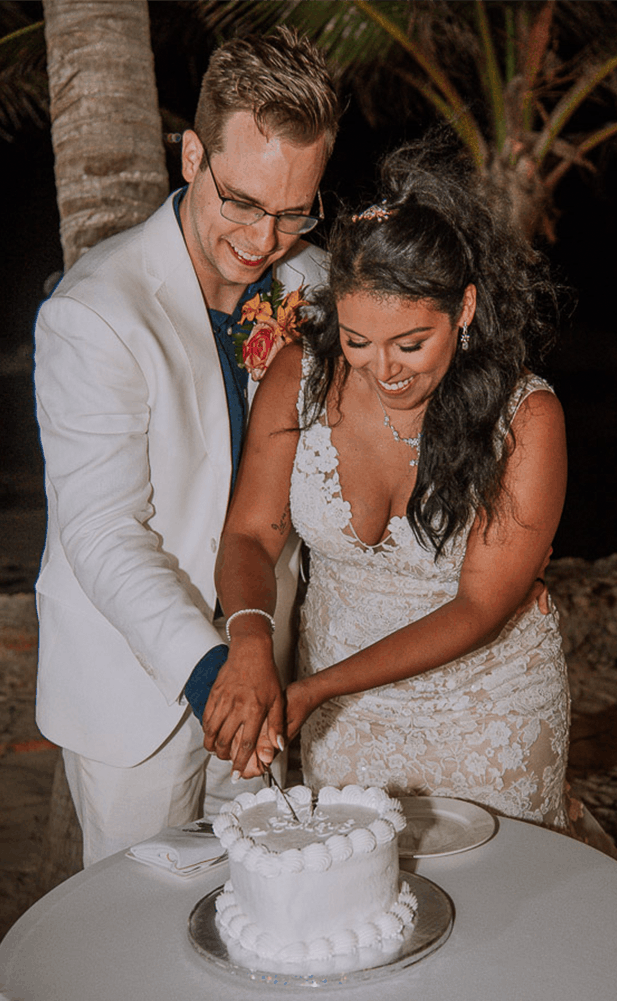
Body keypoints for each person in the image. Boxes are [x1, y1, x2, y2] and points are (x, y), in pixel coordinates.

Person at [32, 28, 338, 866]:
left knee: (258, 911)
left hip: (265, 669)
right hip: (137, 693)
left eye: (292, 211)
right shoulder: (93, 313)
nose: (264, 238)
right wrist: (212, 671)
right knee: (135, 945)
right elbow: (100, 529)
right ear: (192, 155)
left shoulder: (312, 284)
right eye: (240, 201)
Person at [211, 142, 574, 833]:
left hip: (485, 707)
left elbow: (479, 605)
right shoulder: (299, 378)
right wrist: (251, 638)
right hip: (342, 718)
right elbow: (250, 532)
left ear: (463, 309)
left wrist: (317, 688)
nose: (385, 370)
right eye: (357, 341)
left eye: (411, 344)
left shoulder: (527, 418)